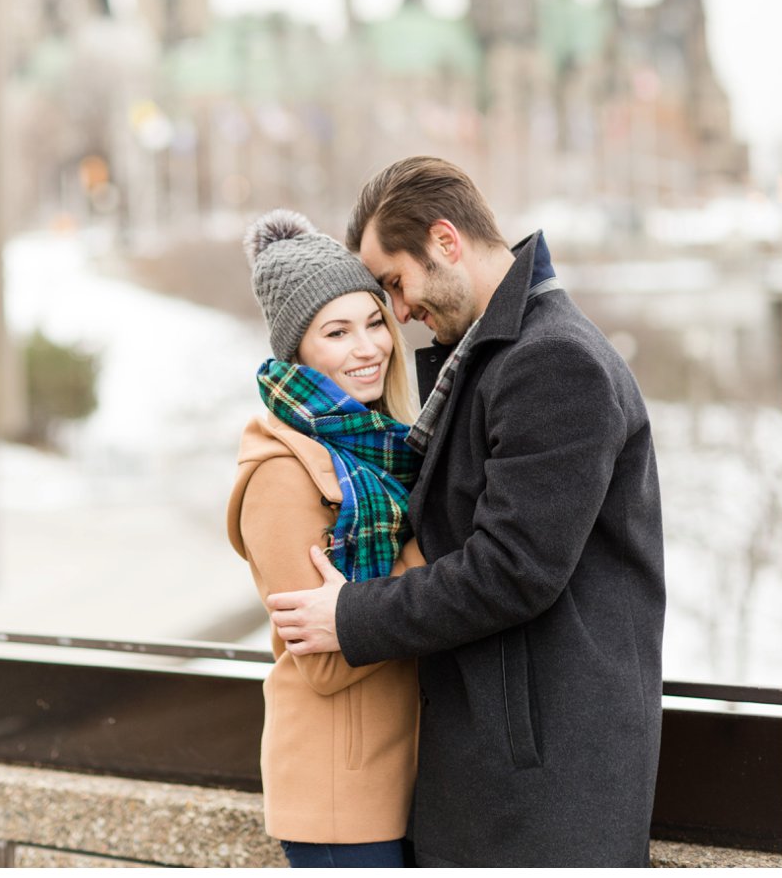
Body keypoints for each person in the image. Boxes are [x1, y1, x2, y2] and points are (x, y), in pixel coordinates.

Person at [267, 157, 664, 867]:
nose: (399, 313)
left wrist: (353, 613)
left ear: (445, 241)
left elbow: (513, 569)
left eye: (394, 283)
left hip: (548, 791)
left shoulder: (553, 361)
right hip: (504, 774)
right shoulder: (491, 357)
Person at [227, 210, 425, 868]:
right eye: (337, 332)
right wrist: (448, 568)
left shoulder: (382, 449)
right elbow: (327, 659)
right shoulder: (283, 475)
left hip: (400, 776)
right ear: (299, 351)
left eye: (374, 322)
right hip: (340, 794)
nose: (367, 347)